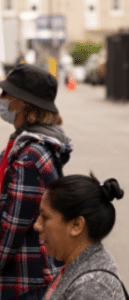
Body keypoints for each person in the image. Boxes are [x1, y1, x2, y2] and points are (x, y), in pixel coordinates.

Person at [0, 63, 73, 300]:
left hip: (25, 283)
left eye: (6, 94)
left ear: (21, 102)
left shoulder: (31, 155)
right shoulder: (21, 144)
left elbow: (12, 228)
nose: (1, 99)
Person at [34, 174, 127, 300]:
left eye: (45, 217)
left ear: (76, 225)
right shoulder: (79, 265)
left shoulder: (92, 287)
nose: (37, 225)